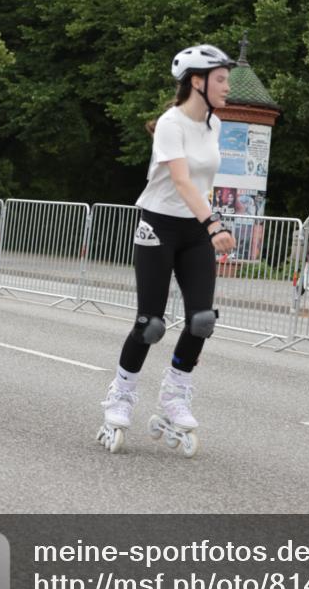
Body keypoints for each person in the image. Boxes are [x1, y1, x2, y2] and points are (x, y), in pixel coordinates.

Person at [97, 44, 237, 456]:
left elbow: (202, 184)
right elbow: (180, 181)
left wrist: (206, 223)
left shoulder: (214, 124)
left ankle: (175, 394)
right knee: (150, 324)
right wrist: (214, 224)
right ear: (197, 81)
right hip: (158, 225)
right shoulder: (171, 123)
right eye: (221, 79)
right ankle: (120, 397)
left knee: (202, 320)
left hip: (194, 231)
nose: (228, 86)